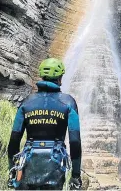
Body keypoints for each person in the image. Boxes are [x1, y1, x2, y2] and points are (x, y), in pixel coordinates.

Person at [7, 58, 82, 190]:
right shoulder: (68, 102)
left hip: (29, 163)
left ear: (41, 76)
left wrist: (12, 170)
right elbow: (75, 142)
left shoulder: (27, 102)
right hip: (55, 164)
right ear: (60, 78)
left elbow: (14, 140)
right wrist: (75, 175)